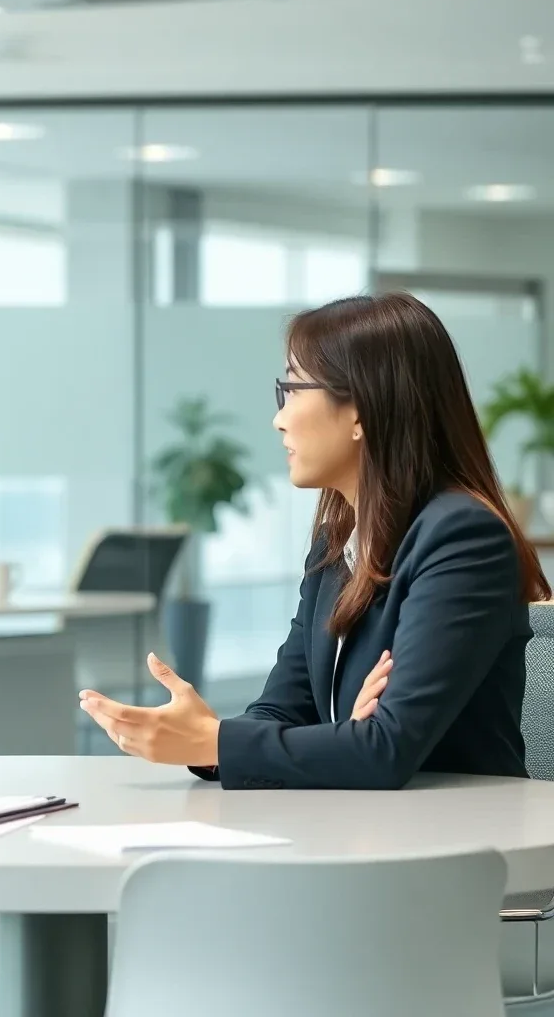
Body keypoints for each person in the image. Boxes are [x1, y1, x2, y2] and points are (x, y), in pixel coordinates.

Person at [80, 292, 550, 790]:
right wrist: (214, 743)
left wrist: (218, 741)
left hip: (463, 842)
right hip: (361, 830)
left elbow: (385, 749)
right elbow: (286, 705)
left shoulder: (463, 537)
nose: (278, 418)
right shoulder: (337, 540)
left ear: (360, 412)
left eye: (292, 390)